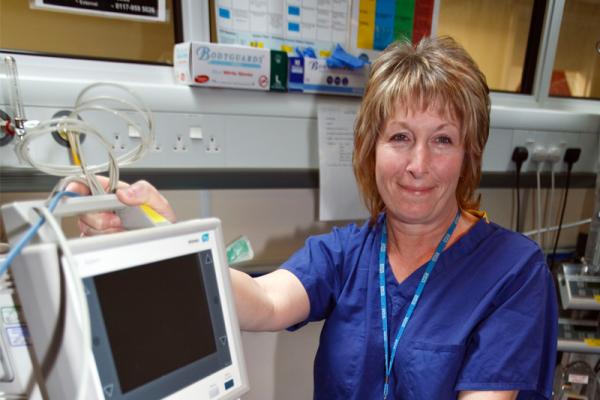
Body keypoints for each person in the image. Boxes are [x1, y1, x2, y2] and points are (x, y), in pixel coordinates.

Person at [74, 36, 557, 399]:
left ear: (469, 155)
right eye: (400, 138)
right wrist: (165, 238)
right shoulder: (346, 253)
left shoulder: (514, 271)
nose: (418, 165)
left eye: (443, 140)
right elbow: (263, 301)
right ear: (371, 149)